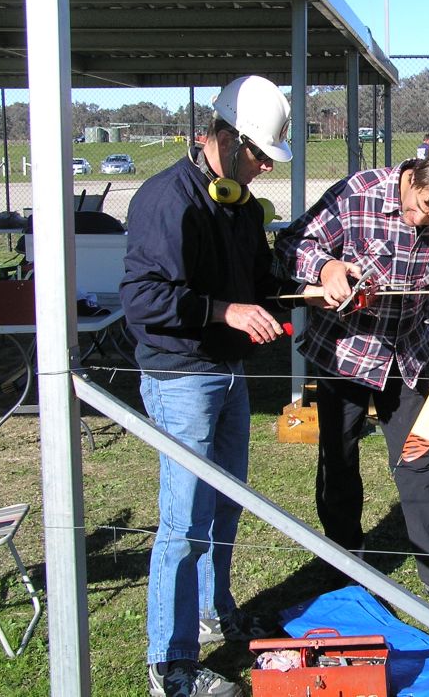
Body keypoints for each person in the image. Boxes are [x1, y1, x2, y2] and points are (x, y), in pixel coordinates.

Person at [121, 75, 299, 697]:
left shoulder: (240, 206)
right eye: (257, 155)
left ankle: (213, 613)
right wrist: (226, 312)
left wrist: (313, 291)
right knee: (185, 520)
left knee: (225, 505)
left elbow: (261, 282)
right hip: (180, 377)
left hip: (227, 373)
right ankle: (169, 666)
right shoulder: (167, 200)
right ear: (223, 137)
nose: (262, 169)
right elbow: (143, 300)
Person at [273, 152, 429, 611]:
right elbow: (293, 243)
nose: (420, 222)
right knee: (338, 459)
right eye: (417, 209)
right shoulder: (358, 193)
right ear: (411, 179)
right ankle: (346, 568)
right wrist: (327, 269)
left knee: (419, 459)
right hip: (344, 352)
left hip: (407, 352)